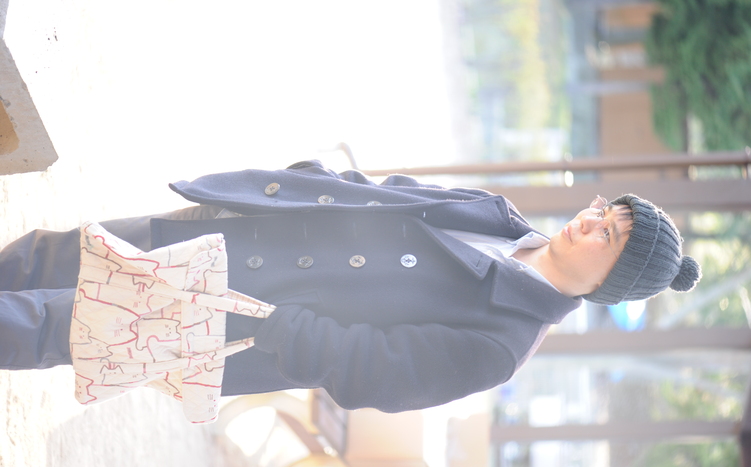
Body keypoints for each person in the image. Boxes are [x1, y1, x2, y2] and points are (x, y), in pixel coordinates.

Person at [0, 160, 701, 412]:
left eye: (611, 236)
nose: (592, 221)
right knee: (50, 257)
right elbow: (394, 193)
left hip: (229, 311)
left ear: (611, 281)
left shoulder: (503, 342)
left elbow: (375, 375)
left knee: (51, 321)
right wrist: (318, 180)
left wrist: (278, 325)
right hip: (243, 230)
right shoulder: (498, 214)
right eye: (606, 210)